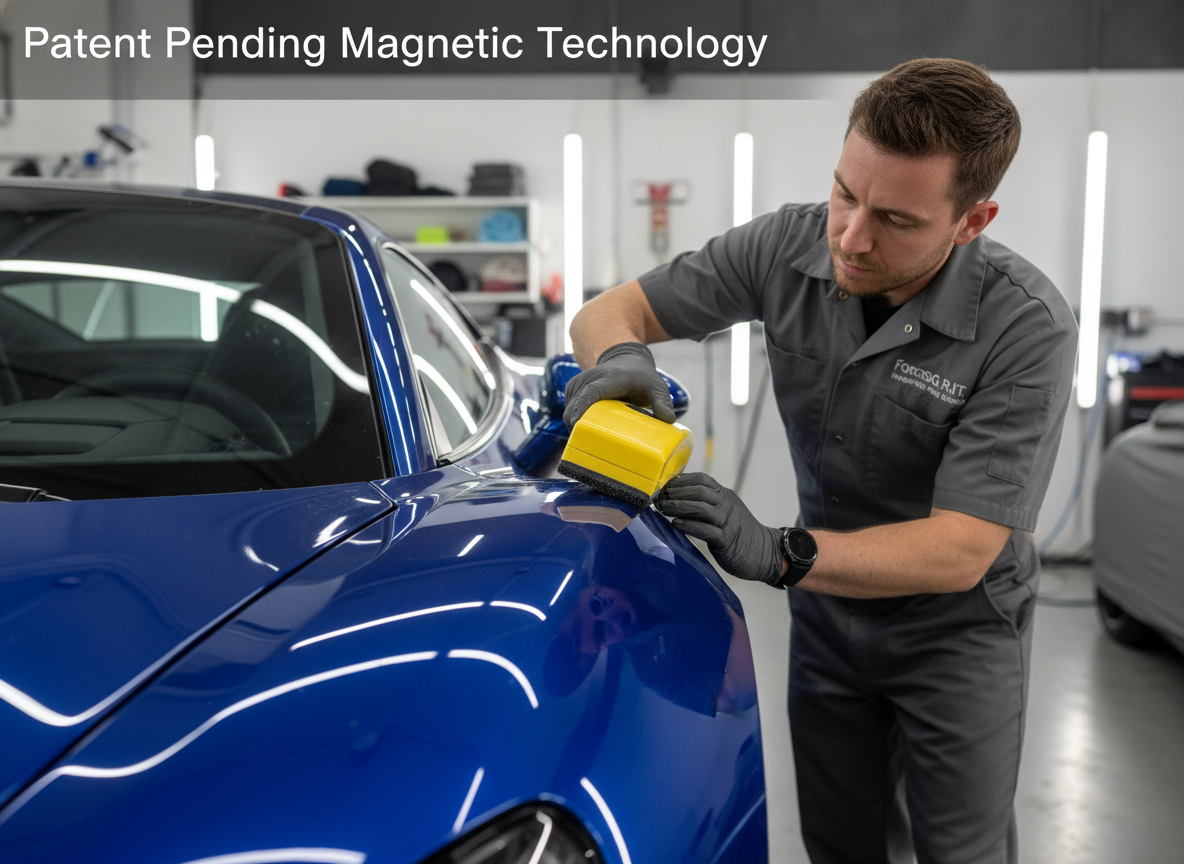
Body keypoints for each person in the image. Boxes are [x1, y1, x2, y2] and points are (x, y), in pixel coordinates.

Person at [564, 58, 1078, 864]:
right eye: (846, 192)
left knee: (961, 851)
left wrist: (779, 552)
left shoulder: (1026, 326)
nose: (850, 235)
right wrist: (618, 361)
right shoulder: (785, 245)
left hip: (956, 634)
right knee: (840, 843)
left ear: (972, 221)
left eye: (897, 220)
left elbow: (961, 548)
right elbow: (609, 309)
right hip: (830, 617)